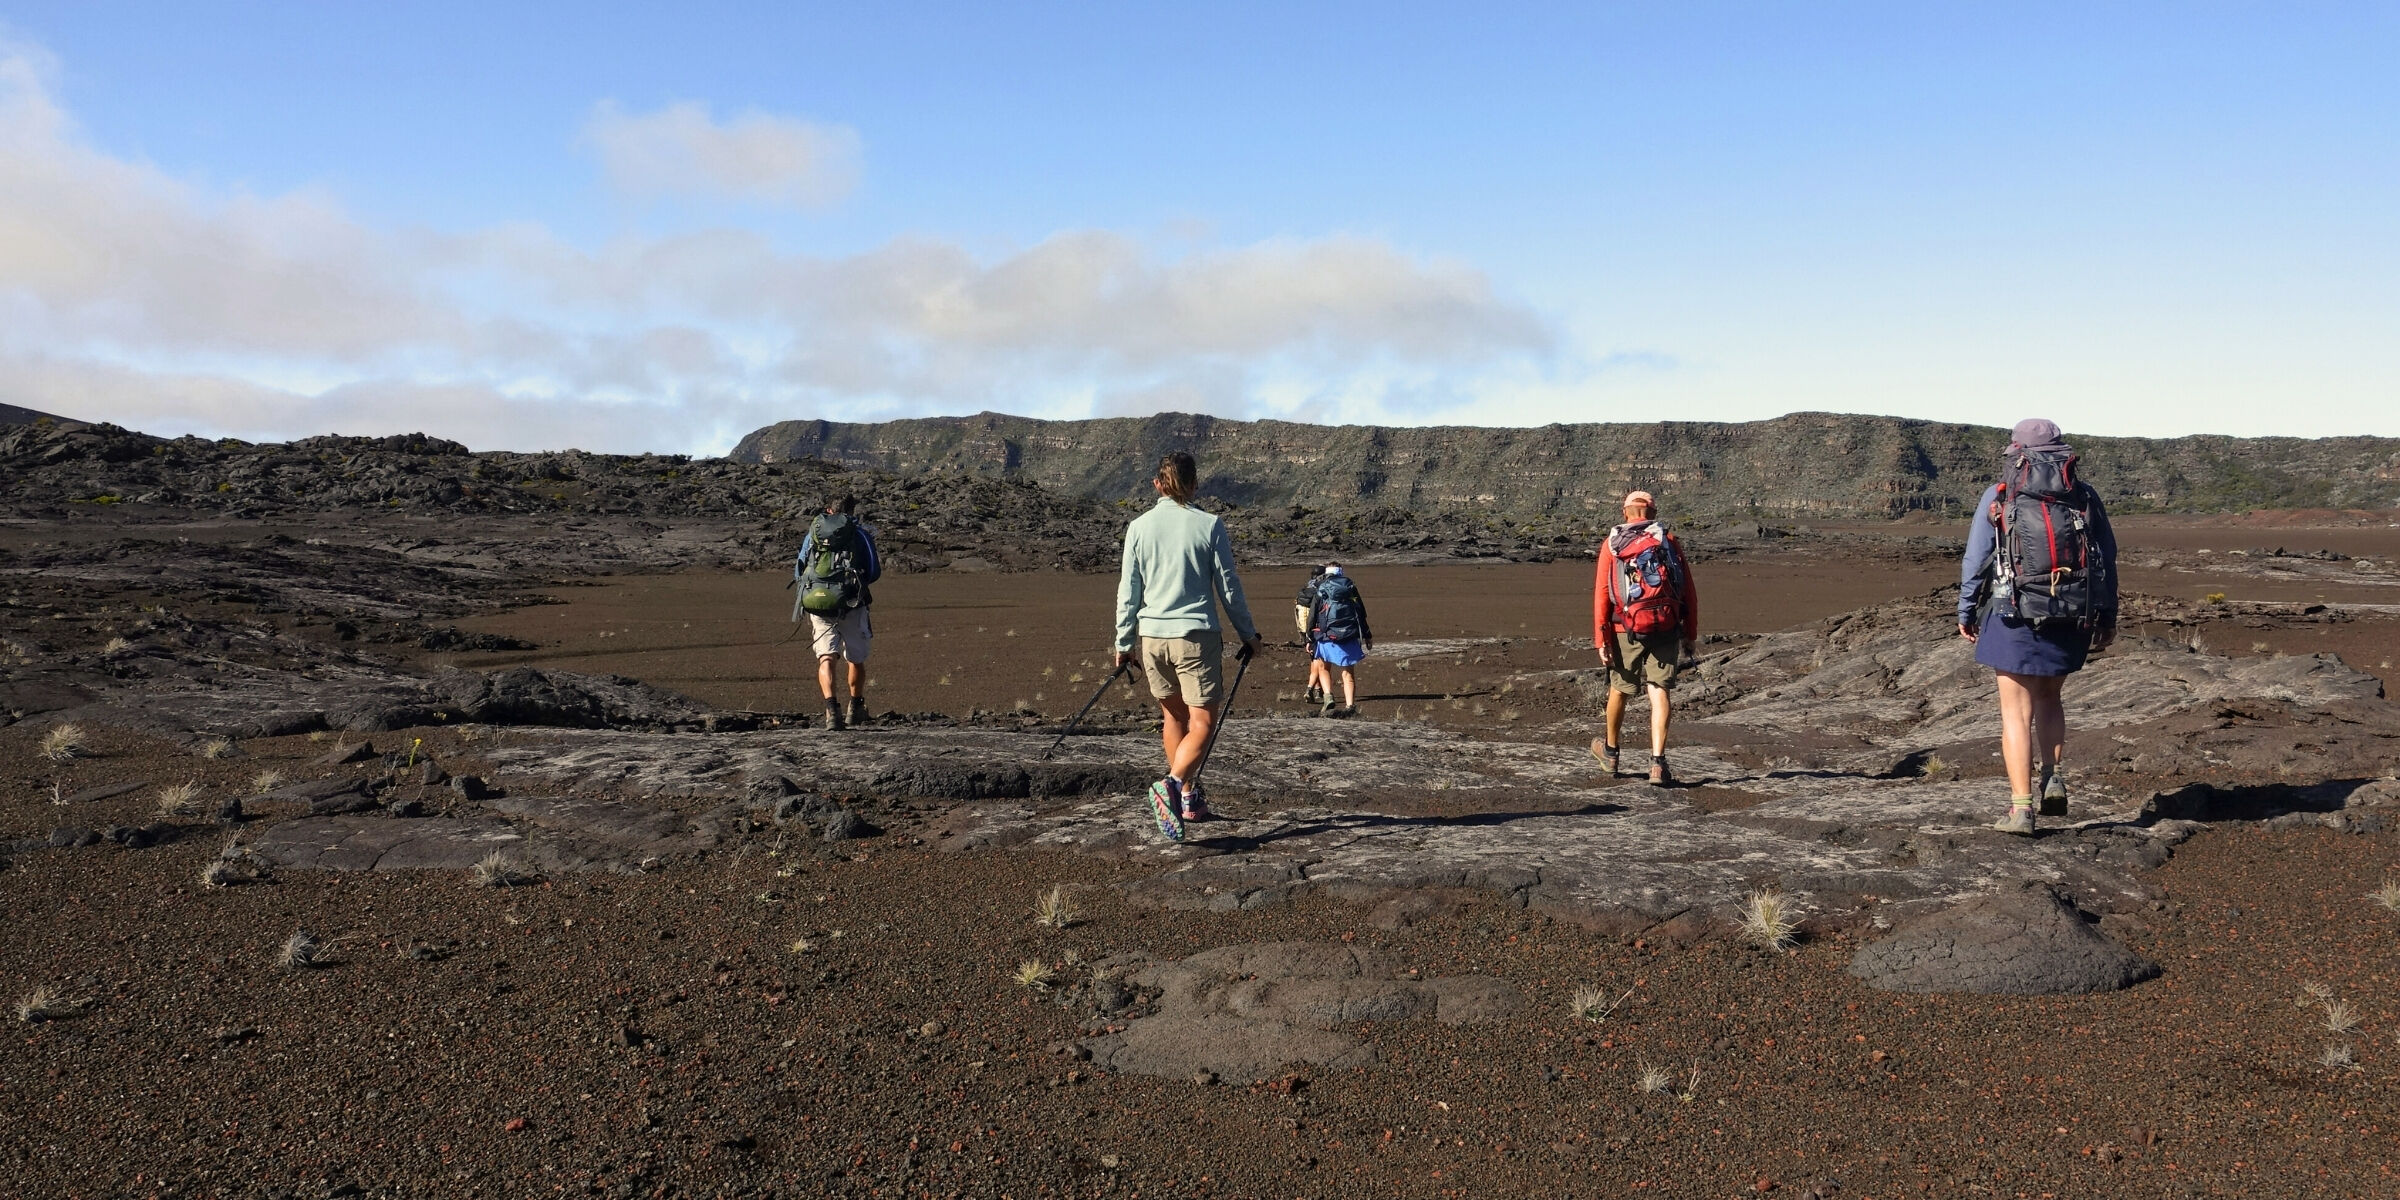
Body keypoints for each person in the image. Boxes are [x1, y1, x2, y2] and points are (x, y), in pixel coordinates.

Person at [1959, 418, 2117, 835]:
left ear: (2017, 452)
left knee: (2015, 713)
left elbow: (1976, 560)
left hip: (2013, 612)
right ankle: (2052, 777)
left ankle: (2021, 810)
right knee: (2051, 699)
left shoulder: (1999, 495)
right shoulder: (2083, 496)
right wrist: (2107, 615)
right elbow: (2107, 559)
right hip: (2070, 612)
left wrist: (1965, 610)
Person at [1113, 451, 1264, 841]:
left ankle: (1187, 797)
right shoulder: (1209, 526)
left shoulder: (1138, 527)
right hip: (1194, 637)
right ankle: (1172, 784)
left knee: (1173, 719)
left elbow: (1129, 591)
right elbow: (1228, 588)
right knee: (1203, 723)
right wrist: (1248, 634)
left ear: (1157, 485)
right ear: (1195, 484)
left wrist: (1123, 641)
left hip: (1152, 640)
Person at [1590, 490, 1699, 784]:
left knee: (1620, 689)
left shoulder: (1612, 545)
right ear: (1652, 513)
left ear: (1625, 512)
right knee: (1659, 691)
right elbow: (1687, 590)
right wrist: (1690, 633)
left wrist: (1601, 638)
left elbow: (1603, 593)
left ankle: (1611, 754)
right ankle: (1657, 764)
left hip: (1625, 627)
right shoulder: (1669, 542)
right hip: (1665, 625)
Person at [794, 494, 882, 730]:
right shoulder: (860, 534)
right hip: (853, 604)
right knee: (856, 658)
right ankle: (856, 707)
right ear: (853, 511)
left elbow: (799, 570)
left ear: (828, 510)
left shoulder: (813, 535)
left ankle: (831, 711)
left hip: (818, 604)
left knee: (826, 656)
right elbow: (874, 571)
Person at [1307, 563, 1373, 715]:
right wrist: (1367, 634)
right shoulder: (1350, 588)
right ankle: (1350, 706)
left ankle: (1328, 696)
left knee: (1323, 668)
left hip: (1326, 634)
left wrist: (1309, 637)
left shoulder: (1321, 588)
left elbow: (1313, 615)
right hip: (1349, 635)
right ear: (1340, 572)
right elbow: (1361, 612)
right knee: (1348, 673)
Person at [1295, 564, 1334, 705]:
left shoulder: (1306, 588)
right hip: (1316, 628)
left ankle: (1316, 689)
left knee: (1314, 658)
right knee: (1320, 659)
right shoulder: (1321, 587)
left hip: (1303, 626)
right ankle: (1315, 689)